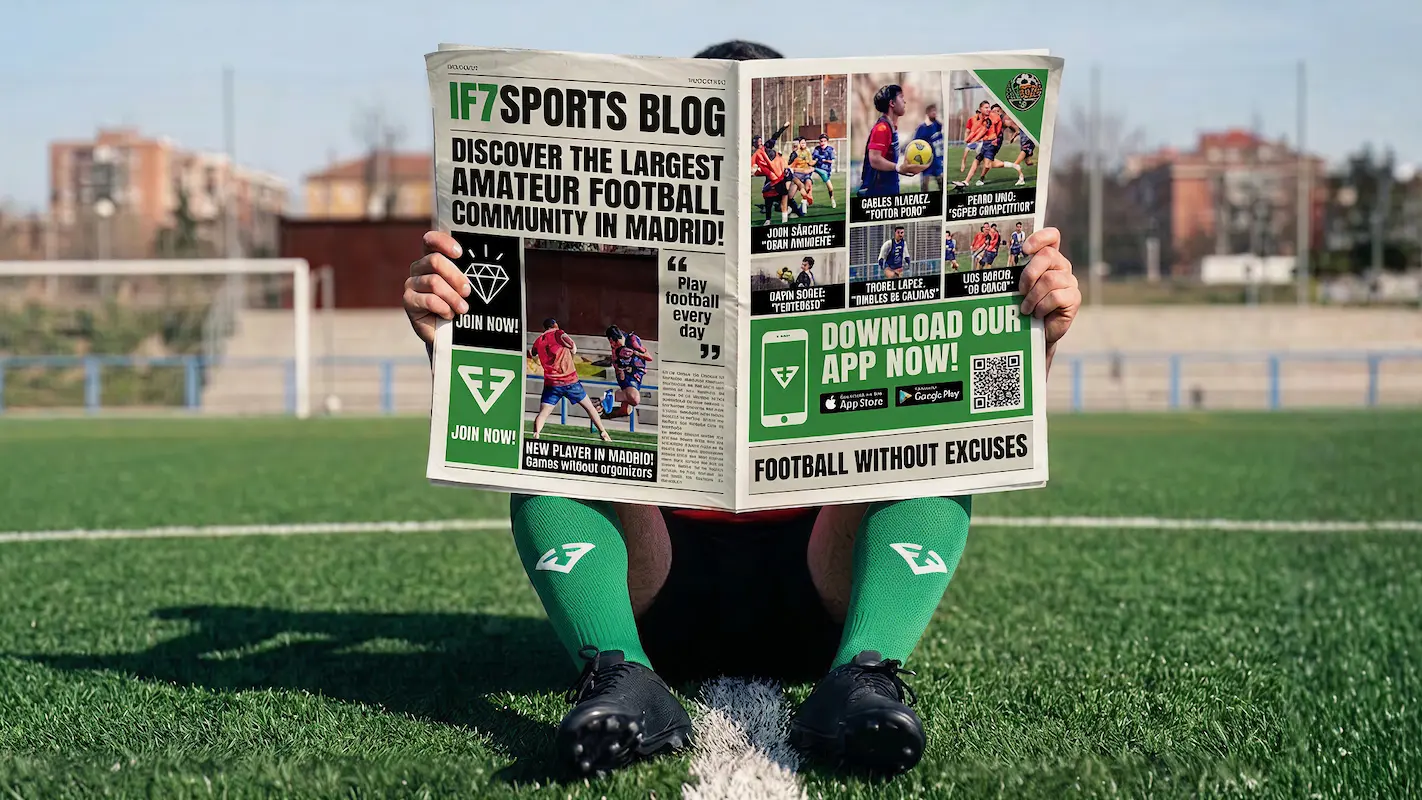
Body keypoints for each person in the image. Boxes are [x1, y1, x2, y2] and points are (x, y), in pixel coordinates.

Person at [403, 39, 1081, 779]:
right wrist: (457, 328)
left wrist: (1029, 331)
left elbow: (983, 403)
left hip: (823, 572)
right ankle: (622, 675)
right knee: (552, 430)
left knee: (943, 424)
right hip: (653, 576)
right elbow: (512, 391)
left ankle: (864, 671)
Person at [528, 318, 614, 443]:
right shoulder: (558, 333)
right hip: (570, 381)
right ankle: (603, 432)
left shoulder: (539, 340)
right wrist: (571, 354)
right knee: (589, 407)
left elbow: (533, 353)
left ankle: (536, 434)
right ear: (555, 325)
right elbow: (573, 346)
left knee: (543, 413)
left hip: (552, 383)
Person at [857, 83, 930, 197]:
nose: (904, 102)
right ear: (892, 103)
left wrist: (907, 167)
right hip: (877, 192)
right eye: (901, 97)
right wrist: (899, 168)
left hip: (888, 188)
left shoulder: (891, 127)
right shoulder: (882, 128)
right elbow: (874, 159)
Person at [604, 325, 652, 421]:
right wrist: (619, 370)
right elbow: (615, 362)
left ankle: (604, 409)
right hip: (626, 373)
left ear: (616, 338)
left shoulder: (632, 341)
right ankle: (606, 399)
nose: (612, 345)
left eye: (612, 342)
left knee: (626, 411)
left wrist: (635, 353)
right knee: (635, 399)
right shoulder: (615, 348)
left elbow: (649, 357)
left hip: (637, 371)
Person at [911, 104, 944, 193]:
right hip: (926, 160)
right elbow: (915, 143)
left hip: (937, 161)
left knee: (941, 182)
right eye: (932, 111)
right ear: (927, 113)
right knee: (925, 183)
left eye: (935, 111)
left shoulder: (938, 126)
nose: (934, 113)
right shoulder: (922, 128)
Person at [811, 134, 838, 208]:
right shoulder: (817, 149)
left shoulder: (830, 149)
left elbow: (832, 161)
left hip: (825, 170)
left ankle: (832, 199)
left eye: (824, 141)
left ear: (827, 141)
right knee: (807, 178)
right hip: (816, 168)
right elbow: (813, 158)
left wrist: (825, 160)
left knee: (830, 187)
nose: (822, 143)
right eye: (821, 141)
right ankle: (806, 200)